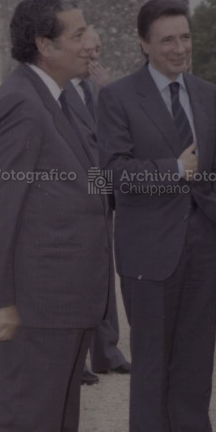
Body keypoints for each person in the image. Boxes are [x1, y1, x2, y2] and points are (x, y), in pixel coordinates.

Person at [0, 0, 121, 432]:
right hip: (39, 297)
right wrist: (1, 299)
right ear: (44, 44)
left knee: (60, 414)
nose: (93, 42)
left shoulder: (64, 97)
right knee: (27, 419)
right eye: (80, 33)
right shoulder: (18, 102)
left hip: (70, 290)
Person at [98, 0, 216, 432]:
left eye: (185, 37)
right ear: (143, 44)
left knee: (197, 357)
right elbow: (111, 173)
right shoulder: (116, 98)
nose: (180, 49)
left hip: (202, 244)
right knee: (152, 360)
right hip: (147, 251)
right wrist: (174, 170)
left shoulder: (209, 96)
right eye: (167, 40)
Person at [64, 27, 131, 384]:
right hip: (74, 193)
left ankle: (107, 351)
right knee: (79, 275)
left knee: (105, 270)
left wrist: (108, 93)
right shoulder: (57, 91)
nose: (94, 56)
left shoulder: (96, 88)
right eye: (89, 49)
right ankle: (76, 360)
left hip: (102, 188)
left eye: (98, 49)